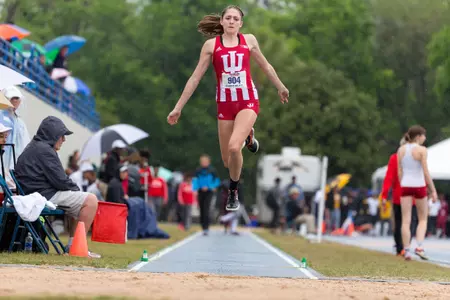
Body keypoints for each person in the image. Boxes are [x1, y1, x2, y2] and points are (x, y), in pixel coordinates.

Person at [167, 5, 289, 212]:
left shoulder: (249, 40)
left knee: (234, 147)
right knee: (227, 160)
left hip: (247, 101)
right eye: (228, 18)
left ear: (241, 23)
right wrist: (178, 108)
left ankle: (234, 190)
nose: (232, 21)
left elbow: (266, 66)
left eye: (236, 19)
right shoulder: (210, 46)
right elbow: (195, 77)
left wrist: (281, 87)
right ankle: (248, 137)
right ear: (222, 21)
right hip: (225, 104)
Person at [14, 116, 100, 258]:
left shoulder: (34, 146)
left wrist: (74, 191)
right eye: (61, 136)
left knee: (77, 201)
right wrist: (77, 190)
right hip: (43, 195)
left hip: (35, 194)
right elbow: (61, 180)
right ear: (52, 135)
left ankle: (72, 246)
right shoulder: (45, 150)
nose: (64, 140)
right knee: (90, 201)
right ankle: (78, 248)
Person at [397, 125, 437, 261]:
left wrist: (403, 183)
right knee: (423, 218)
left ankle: (406, 250)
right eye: (424, 136)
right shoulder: (422, 150)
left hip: (405, 185)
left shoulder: (401, 150)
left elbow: (400, 171)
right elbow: (425, 172)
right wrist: (433, 190)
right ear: (419, 136)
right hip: (419, 185)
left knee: (406, 220)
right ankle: (419, 246)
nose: (425, 138)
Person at [381, 137, 406, 255]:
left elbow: (388, 178)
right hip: (407, 197)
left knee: (399, 222)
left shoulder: (395, 158)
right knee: (407, 221)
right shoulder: (415, 157)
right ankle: (404, 246)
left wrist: (385, 195)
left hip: (400, 196)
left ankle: (400, 247)